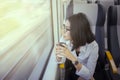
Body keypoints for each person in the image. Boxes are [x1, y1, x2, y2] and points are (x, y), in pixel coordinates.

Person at [56, 13, 99, 80]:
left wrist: (72, 58)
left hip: (87, 70)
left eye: (67, 29)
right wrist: (58, 57)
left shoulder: (93, 46)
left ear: (77, 32)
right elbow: (61, 61)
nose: (63, 31)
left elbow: (89, 75)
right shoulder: (64, 39)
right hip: (74, 70)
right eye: (64, 27)